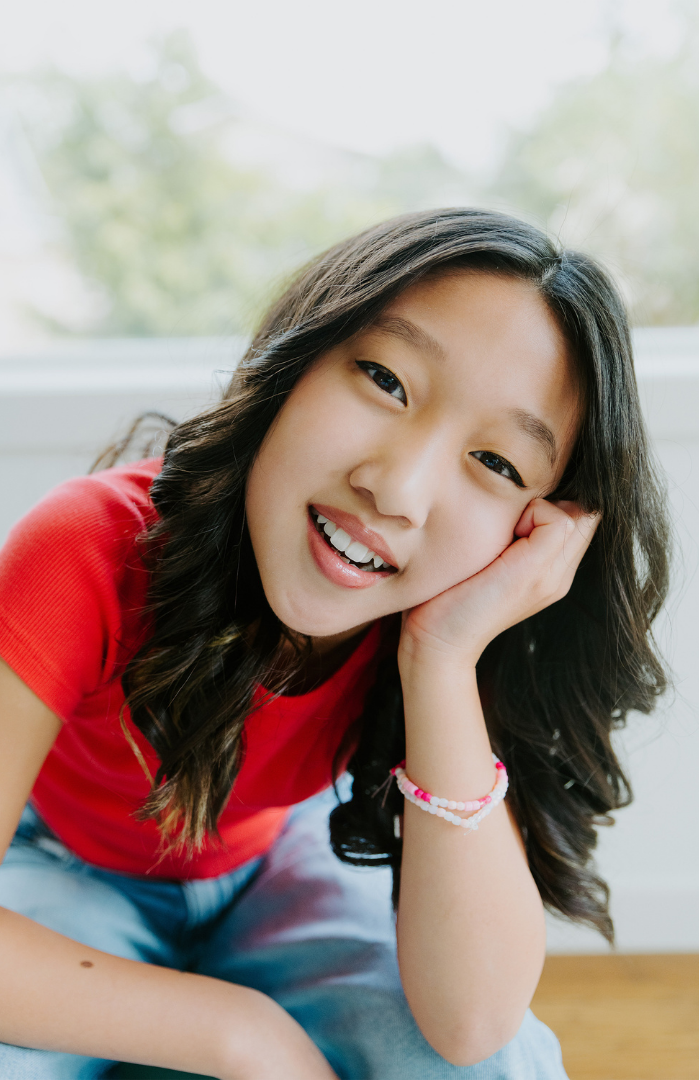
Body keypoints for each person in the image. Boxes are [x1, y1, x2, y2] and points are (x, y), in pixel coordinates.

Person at [0, 209, 669, 1080]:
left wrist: (443, 654)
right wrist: (241, 1034)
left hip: (283, 855)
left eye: (498, 464)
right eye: (386, 380)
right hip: (63, 865)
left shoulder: (443, 615)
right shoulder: (86, 547)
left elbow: (471, 1026)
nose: (396, 488)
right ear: (294, 362)